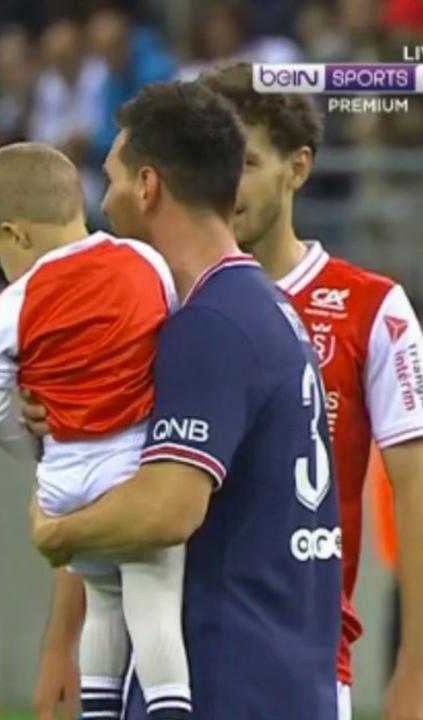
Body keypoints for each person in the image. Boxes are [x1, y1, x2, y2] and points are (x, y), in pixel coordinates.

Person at [27, 81, 341, 719]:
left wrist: (58, 530)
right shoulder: (264, 306)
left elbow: (166, 511)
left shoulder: (213, 324)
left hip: (225, 680)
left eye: (110, 179)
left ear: (148, 186)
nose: (103, 199)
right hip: (284, 673)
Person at [202, 62, 423, 720]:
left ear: (296, 168)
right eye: (210, 163)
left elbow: (413, 488)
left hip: (302, 663)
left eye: (243, 162)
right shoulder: (164, 303)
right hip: (169, 658)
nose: (223, 186)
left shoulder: (371, 309)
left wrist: (413, 667)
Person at [0, 143, 187, 717]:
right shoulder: (145, 262)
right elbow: (169, 342)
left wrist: (35, 448)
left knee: (102, 600)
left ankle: (98, 709)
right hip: (134, 469)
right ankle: (170, 708)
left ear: (16, 235)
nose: (2, 268)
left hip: (65, 481)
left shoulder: (14, 304)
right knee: (151, 601)